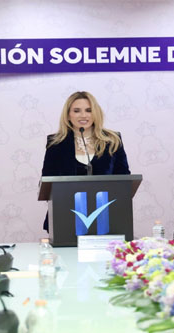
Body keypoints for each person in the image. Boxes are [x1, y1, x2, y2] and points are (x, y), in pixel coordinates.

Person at [41, 91, 131, 230]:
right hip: (65, 216)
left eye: (89, 110)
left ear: (96, 113)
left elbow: (124, 179)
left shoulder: (113, 140)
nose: (83, 115)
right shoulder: (55, 143)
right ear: (68, 115)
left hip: (107, 215)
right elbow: (48, 181)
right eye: (77, 111)